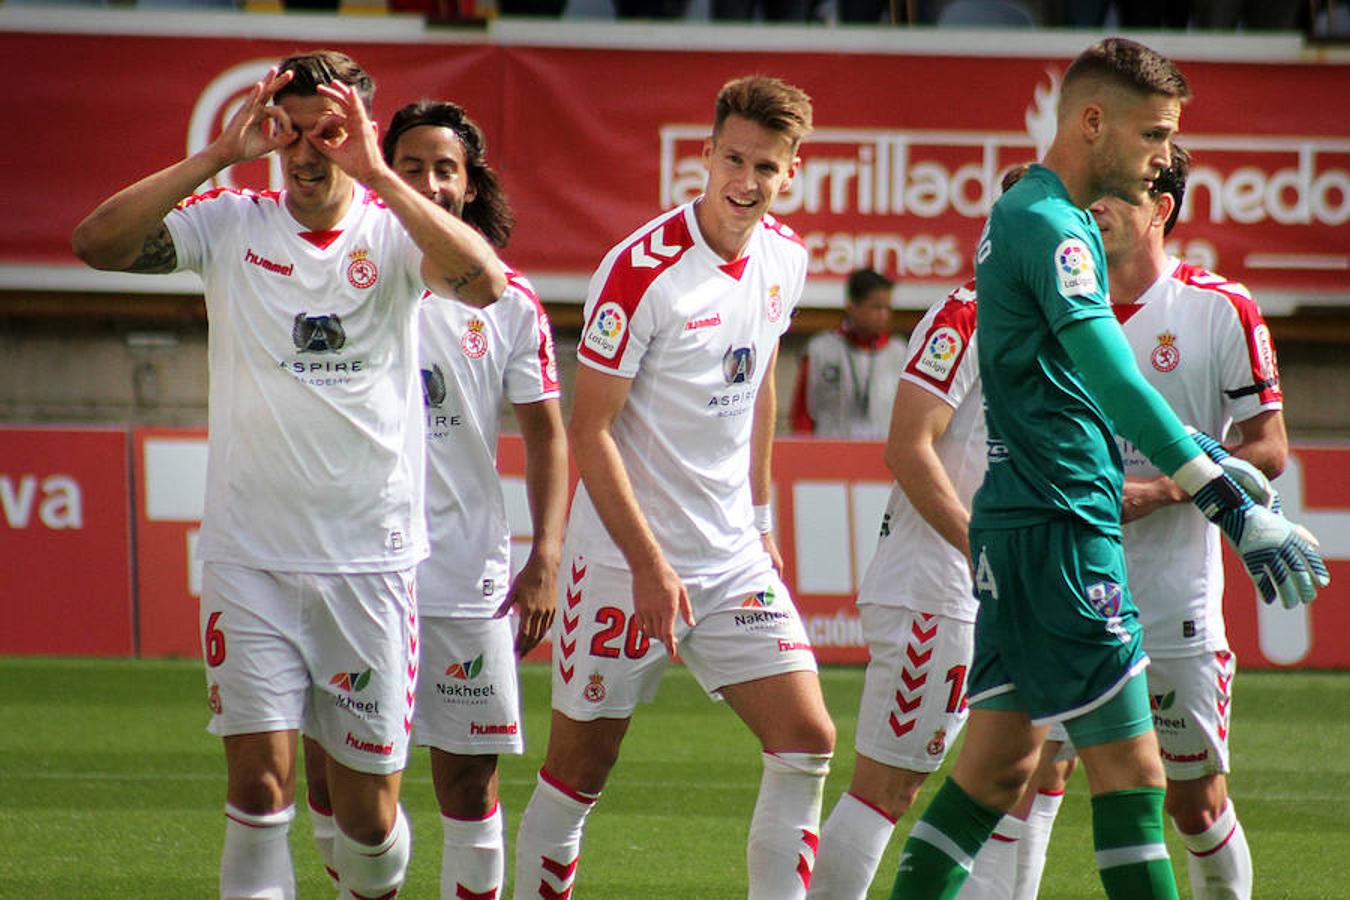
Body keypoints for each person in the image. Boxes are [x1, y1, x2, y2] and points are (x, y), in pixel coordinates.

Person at [887, 37, 1327, 900]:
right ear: (1093, 123)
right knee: (1135, 779)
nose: (1165, 158)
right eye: (1154, 134)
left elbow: (1083, 387)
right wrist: (1227, 504)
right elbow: (1114, 376)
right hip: (1064, 530)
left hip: (1021, 521)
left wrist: (1206, 458)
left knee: (995, 770)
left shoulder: (1028, 216)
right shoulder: (1053, 227)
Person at [71, 50, 508, 900]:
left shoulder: (394, 233)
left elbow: (484, 282)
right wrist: (213, 157)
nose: (308, 152)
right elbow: (96, 244)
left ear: (358, 133)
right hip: (251, 559)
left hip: (369, 563)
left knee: (368, 821)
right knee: (259, 790)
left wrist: (381, 175)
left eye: (329, 133)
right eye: (292, 132)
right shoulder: (231, 221)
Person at [512, 75, 836, 900]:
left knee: (806, 740)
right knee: (581, 770)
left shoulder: (786, 260)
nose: (746, 180)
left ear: (791, 173)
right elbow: (591, 431)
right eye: (733, 158)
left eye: (766, 166)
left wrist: (760, 514)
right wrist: (651, 565)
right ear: (704, 156)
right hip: (621, 564)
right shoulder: (640, 271)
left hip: (729, 560)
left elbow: (760, 381)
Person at [969, 145, 1283, 900]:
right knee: (1030, 772)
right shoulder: (1058, 294)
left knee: (1191, 803)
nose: (1093, 210)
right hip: (1070, 576)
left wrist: (1164, 490)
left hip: (1174, 598)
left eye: (1114, 198)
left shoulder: (1218, 307)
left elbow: (1268, 448)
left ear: (1161, 209)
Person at [300, 99, 569, 900]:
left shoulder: (509, 300)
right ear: (379, 174)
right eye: (408, 165)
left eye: (443, 169)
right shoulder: (332, 272)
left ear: (470, 184)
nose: (427, 182)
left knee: (468, 789)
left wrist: (546, 555)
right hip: (348, 566)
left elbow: (549, 435)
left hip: (462, 578)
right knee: (333, 787)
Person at [790, 268, 907, 438]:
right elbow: (802, 413)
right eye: (876, 307)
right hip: (831, 454)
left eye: (887, 308)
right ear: (852, 306)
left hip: (881, 456)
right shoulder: (821, 350)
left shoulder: (900, 353)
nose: (884, 315)